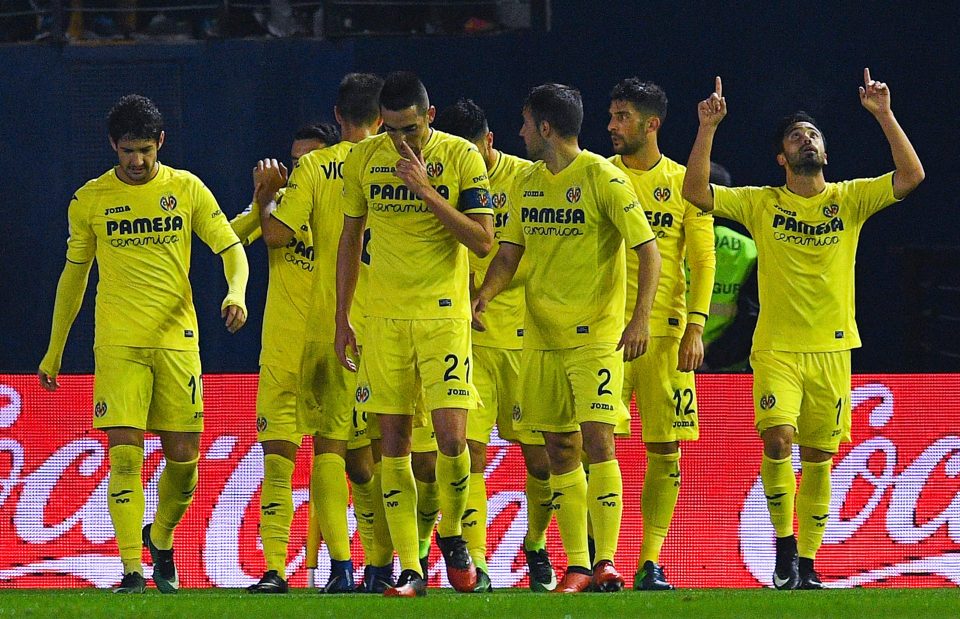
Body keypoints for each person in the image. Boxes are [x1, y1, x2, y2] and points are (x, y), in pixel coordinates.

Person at [681, 69, 924, 589]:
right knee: (778, 438)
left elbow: (911, 176)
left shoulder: (848, 199)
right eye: (796, 136)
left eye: (813, 135)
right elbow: (697, 191)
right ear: (782, 158)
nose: (806, 140)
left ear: (825, 154)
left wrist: (883, 114)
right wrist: (707, 128)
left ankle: (807, 564)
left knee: (818, 456)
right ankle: (784, 548)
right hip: (777, 349)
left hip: (834, 349)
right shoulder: (762, 203)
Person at [37, 94, 249, 594]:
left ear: (161, 144)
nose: (136, 161)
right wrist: (54, 350)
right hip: (117, 342)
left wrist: (236, 292)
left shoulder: (187, 189)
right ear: (113, 146)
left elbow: (231, 248)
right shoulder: (90, 198)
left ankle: (162, 538)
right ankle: (132, 570)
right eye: (127, 150)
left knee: (184, 460)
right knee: (125, 456)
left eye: (145, 151)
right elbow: (74, 275)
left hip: (178, 341)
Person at [474, 83, 660, 593]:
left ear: (546, 129)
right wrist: (485, 294)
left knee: (598, 443)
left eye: (526, 122)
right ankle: (577, 564)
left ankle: (607, 561)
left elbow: (649, 251)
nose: (520, 131)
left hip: (595, 338)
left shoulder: (603, 177)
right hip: (540, 338)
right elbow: (509, 252)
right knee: (557, 447)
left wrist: (639, 318)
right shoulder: (527, 183)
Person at [334, 71, 494, 597]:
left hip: (444, 315)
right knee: (393, 444)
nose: (403, 141)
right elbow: (349, 240)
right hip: (382, 318)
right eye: (394, 129)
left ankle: (451, 534)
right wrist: (342, 318)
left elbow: (483, 241)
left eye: (412, 128)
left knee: (452, 439)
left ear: (430, 114)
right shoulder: (364, 159)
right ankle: (411, 567)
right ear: (382, 121)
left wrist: (426, 192)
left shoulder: (462, 158)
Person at [252, 73, 389, 594]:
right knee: (382, 454)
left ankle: (342, 567)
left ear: (338, 117)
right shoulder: (401, 167)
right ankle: (391, 564)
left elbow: (274, 232)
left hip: (326, 329)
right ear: (382, 117)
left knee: (335, 452)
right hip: (386, 327)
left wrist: (267, 197)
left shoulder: (315, 169)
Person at [433, 98, 557, 593]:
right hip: (468, 340)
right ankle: (478, 561)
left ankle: (536, 542)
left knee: (543, 460)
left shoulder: (529, 180)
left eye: (475, 154)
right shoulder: (442, 179)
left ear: (490, 141)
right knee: (471, 453)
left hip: (529, 338)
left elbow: (541, 249)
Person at [606, 78, 716, 590]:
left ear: (651, 124)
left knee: (665, 449)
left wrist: (696, 326)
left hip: (667, 336)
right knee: (593, 444)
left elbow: (702, 257)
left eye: (622, 116)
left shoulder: (683, 182)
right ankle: (595, 560)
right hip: (604, 333)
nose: (611, 126)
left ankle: (650, 561)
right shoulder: (598, 175)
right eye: (611, 116)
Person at [228, 122, 338, 593]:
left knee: (349, 465)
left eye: (310, 159)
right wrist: (262, 197)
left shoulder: (345, 210)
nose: (299, 170)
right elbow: (229, 237)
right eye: (295, 163)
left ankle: (353, 567)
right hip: (281, 354)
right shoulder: (276, 211)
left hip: (336, 353)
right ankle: (275, 568)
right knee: (278, 463)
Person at [699, 163, 759, 372]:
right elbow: (752, 316)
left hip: (672, 359)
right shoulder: (750, 249)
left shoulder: (668, 244)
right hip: (727, 367)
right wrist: (713, 356)